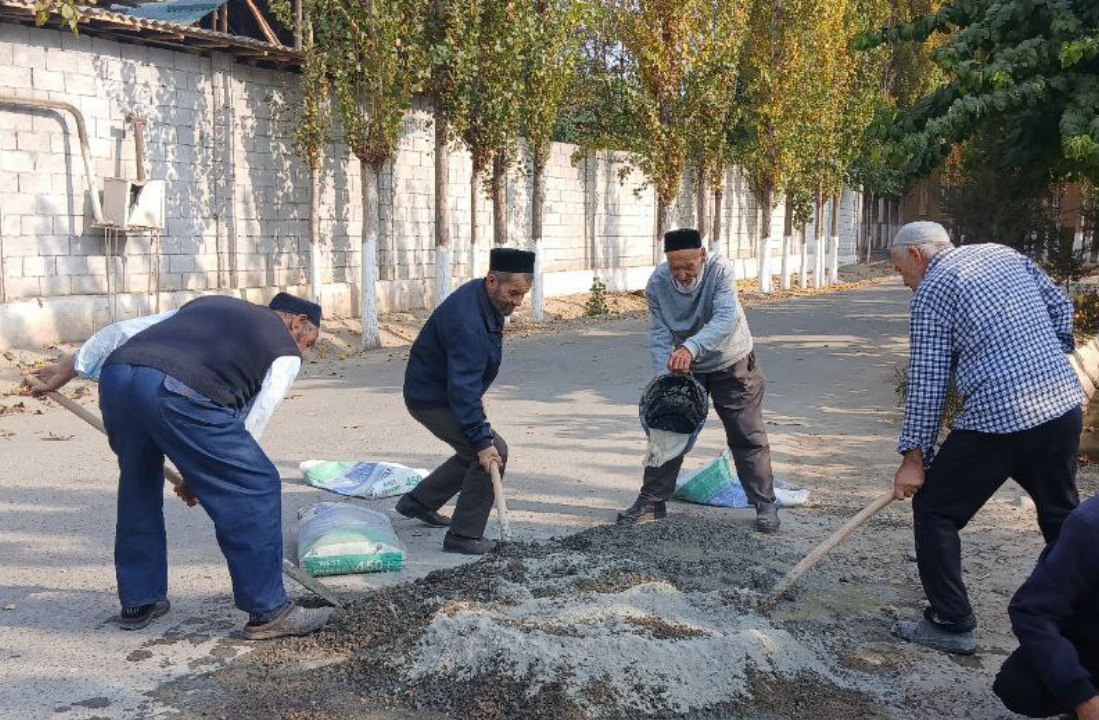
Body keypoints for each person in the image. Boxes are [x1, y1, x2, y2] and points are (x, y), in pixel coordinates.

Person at [28, 293, 334, 640]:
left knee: (138, 481)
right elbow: (255, 418)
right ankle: (269, 610)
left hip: (118, 378)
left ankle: (139, 600)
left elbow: (122, 331)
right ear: (297, 322)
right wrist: (208, 474)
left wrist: (68, 369)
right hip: (177, 390)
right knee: (255, 484)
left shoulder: (211, 304)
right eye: (309, 342)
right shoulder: (284, 349)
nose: (305, 352)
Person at [888, 221, 1084, 655]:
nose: (905, 283)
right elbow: (1060, 307)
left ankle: (951, 622)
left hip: (999, 419)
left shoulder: (933, 291)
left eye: (902, 271)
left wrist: (915, 457)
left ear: (918, 256)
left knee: (936, 509)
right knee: (1064, 521)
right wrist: (1047, 359)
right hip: (1062, 404)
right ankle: (1080, 617)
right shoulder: (1003, 253)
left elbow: (928, 381)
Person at [616, 227, 780, 533]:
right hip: (684, 365)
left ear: (702, 256)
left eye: (688, 266)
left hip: (732, 360)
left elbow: (725, 319)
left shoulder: (720, 271)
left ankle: (764, 504)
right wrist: (665, 378)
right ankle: (652, 501)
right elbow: (660, 333)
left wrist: (691, 347)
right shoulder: (658, 284)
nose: (681, 274)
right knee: (666, 427)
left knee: (746, 433)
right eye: (675, 267)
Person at [397, 247, 535, 554]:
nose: (516, 302)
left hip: (442, 391)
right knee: (490, 452)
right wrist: (482, 439)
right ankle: (464, 535)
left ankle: (418, 502)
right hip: (432, 398)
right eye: (512, 293)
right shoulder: (468, 322)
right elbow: (464, 390)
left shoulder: (482, 299)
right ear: (491, 281)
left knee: (473, 449)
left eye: (522, 295)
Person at [993, 494, 1099, 720]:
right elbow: (1032, 610)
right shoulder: (1090, 524)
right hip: (1090, 641)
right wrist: (1081, 695)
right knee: (1022, 685)